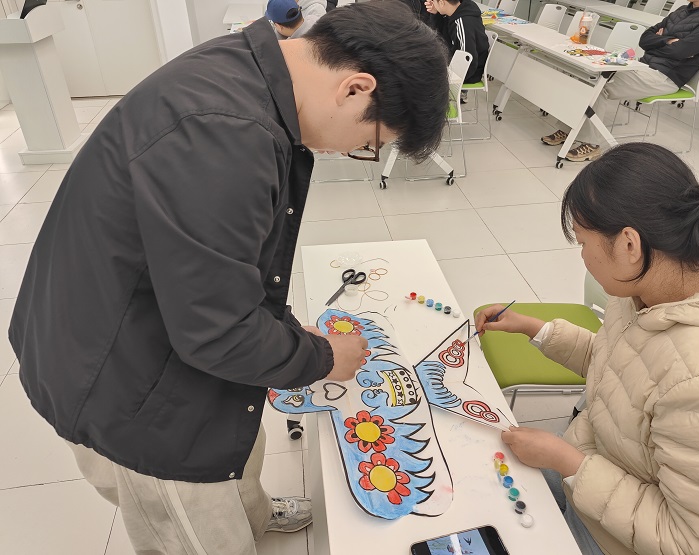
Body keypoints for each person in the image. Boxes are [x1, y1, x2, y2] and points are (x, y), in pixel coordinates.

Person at [8, 2, 450, 554]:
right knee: (197, 529)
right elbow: (218, 333)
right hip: (131, 387)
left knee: (237, 454)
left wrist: (288, 332)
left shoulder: (252, 69)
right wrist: (321, 357)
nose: (350, 152)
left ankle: (250, 517)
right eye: (368, 144)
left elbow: (227, 270)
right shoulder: (227, 134)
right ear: (356, 88)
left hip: (150, 325)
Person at [475, 143, 699, 555]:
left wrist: (567, 461)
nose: (582, 256)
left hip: (608, 536)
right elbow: (621, 365)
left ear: (629, 244)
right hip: (589, 469)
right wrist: (534, 329)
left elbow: (695, 543)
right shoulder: (647, 286)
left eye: (583, 242)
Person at [541, 0, 699, 162]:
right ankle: (569, 129)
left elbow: (681, 51)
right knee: (588, 76)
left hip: (665, 76)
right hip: (644, 65)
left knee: (600, 84)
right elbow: (644, 40)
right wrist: (668, 41)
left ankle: (592, 144)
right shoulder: (681, 11)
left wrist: (660, 40)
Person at [425, 0, 490, 86]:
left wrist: (451, 78)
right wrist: (435, 13)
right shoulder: (455, 13)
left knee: (421, 75)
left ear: (441, 3)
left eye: (433, 1)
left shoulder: (462, 23)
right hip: (456, 64)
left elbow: (467, 59)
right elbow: (441, 37)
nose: (432, 3)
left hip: (467, 73)